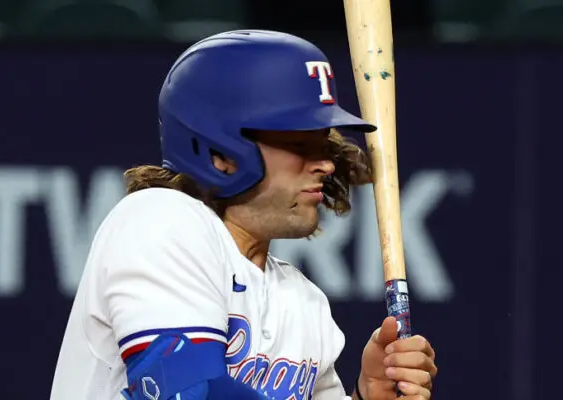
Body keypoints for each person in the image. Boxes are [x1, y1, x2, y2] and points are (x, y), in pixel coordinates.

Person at [50, 30, 438, 400]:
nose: (325, 164)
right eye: (299, 142)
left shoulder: (303, 301)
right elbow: (190, 392)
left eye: (323, 144)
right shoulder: (160, 220)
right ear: (220, 152)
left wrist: (368, 393)